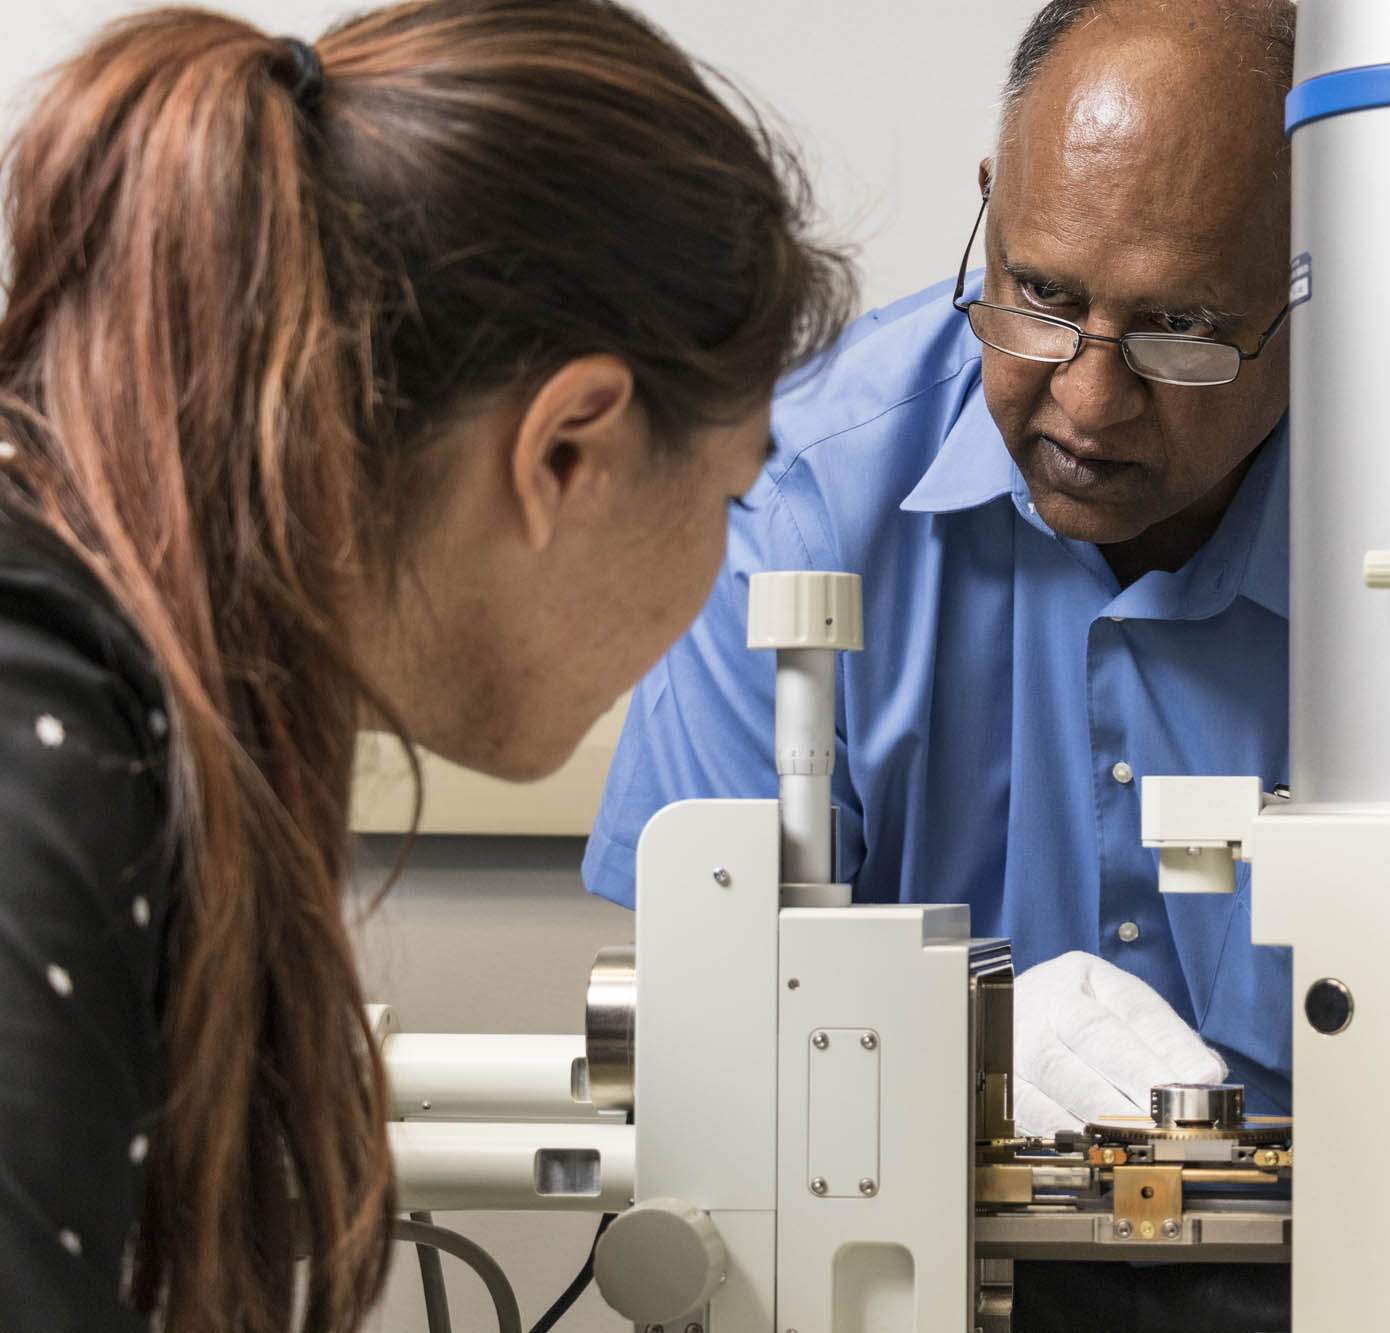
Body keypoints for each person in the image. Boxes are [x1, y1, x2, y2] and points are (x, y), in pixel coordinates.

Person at [0, 2, 849, 1328]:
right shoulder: (45, 745)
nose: (715, 577)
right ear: (568, 448)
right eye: (734, 501)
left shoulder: (113, 681)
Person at [588, 0, 1297, 1132]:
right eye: (1043, 297)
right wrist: (940, 1040)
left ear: (1314, 286)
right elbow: (693, 1023)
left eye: (1178, 327)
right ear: (989, 205)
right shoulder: (794, 495)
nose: (1085, 401)